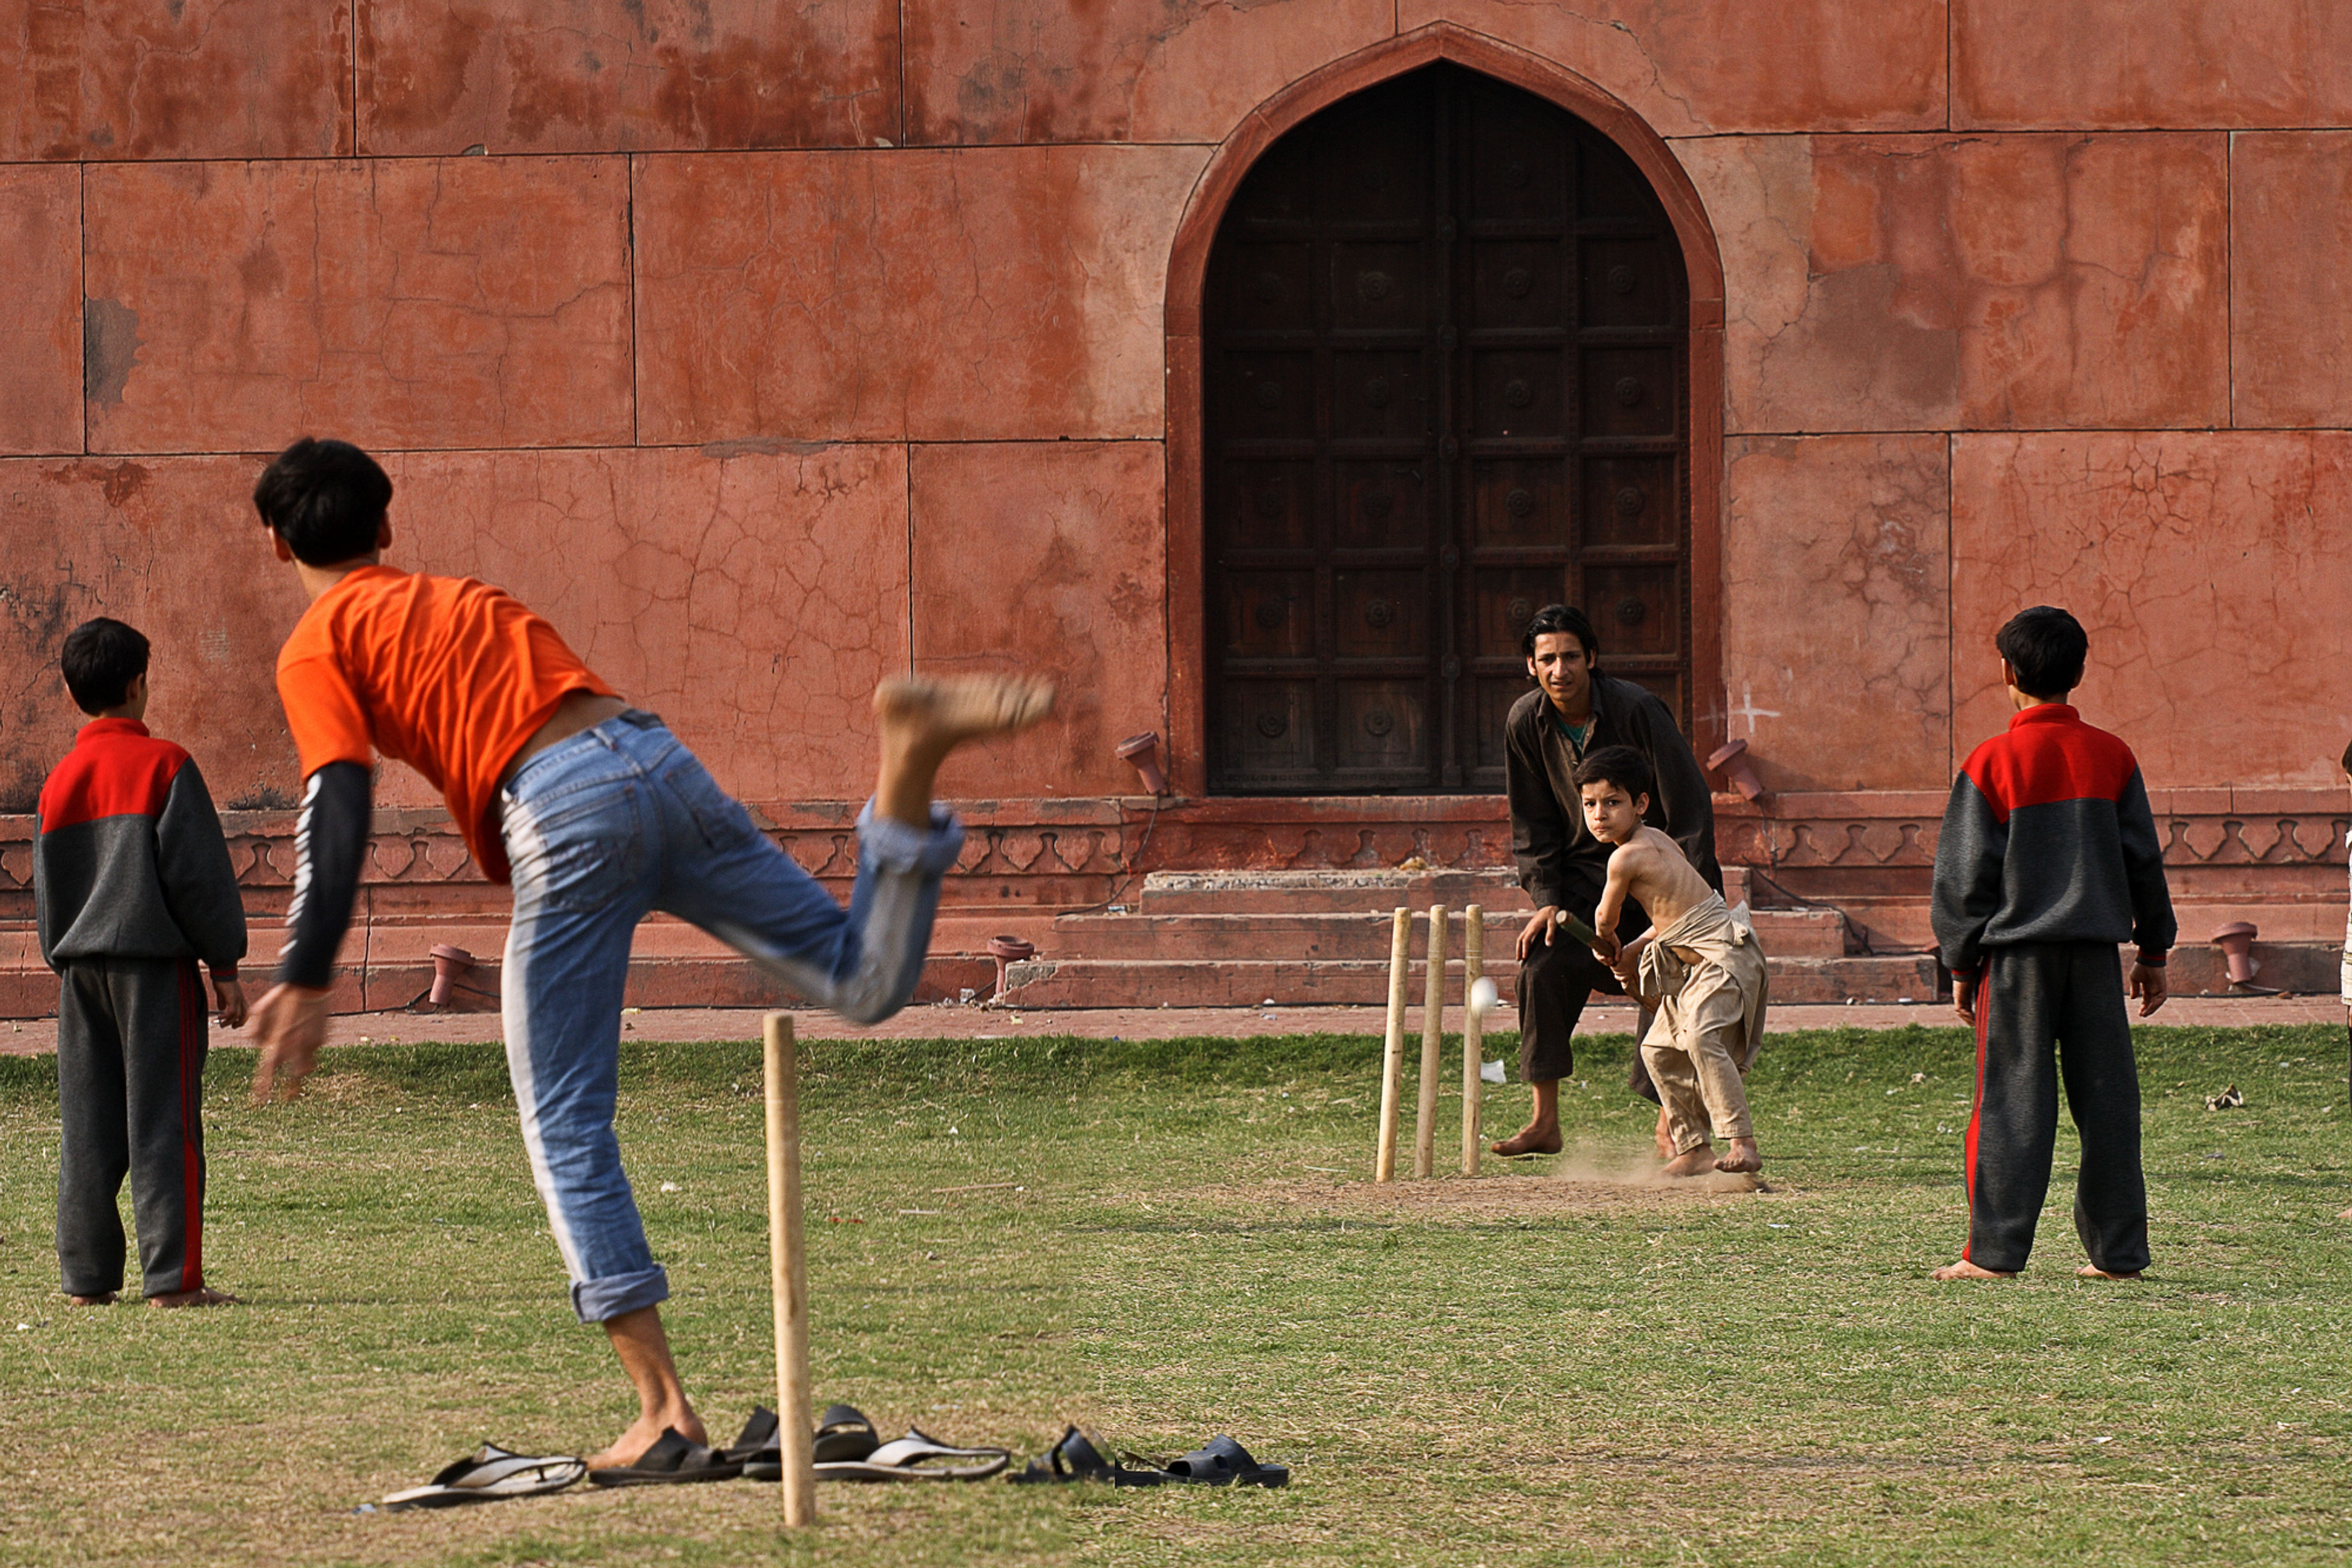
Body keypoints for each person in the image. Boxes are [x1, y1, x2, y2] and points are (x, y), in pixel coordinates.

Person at [241, 437, 1053, 1471]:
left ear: (275, 545)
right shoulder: (467, 598)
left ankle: (663, 1408)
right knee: (862, 981)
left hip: (563, 810)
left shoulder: (316, 644)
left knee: (562, 1117)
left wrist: (307, 972)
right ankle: (906, 762)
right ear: (387, 527)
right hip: (653, 760)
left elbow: (335, 798)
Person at [1930, 606, 2173, 1283]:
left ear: (2006, 671)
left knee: (2010, 1102)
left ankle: (1994, 1254)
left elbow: (1964, 875)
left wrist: (1959, 959)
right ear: (2081, 672)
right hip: (2095, 956)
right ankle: (2118, 1255)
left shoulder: (1991, 762)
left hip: (2016, 964)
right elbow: (2143, 862)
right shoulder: (2112, 756)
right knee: (2109, 1106)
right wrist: (2153, 953)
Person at [35, 617, 248, 1309]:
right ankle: (173, 1280)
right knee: (164, 1121)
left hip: (79, 975)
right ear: (137, 685)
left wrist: (68, 962)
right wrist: (225, 969)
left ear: (74, 696)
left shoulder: (58, 782)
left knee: (88, 1127)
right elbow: (198, 879)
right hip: (152, 974)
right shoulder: (167, 766)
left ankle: (87, 1280)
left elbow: (48, 897)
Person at [1495, 603, 1720, 1157]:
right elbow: (1533, 823)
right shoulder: (1526, 721)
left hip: (1657, 880)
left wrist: (1696, 911)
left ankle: (1675, 1122)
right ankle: (1544, 1122)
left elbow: (1689, 807)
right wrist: (1547, 900)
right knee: (1542, 963)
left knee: (1672, 986)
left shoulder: (1638, 709)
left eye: (1571, 656)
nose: (1560, 669)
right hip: (1581, 888)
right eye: (1547, 659)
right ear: (1531, 665)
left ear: (1591, 659)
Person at [1577, 746, 1767, 1177]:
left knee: (1700, 1036)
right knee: (1658, 1049)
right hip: (1702, 966)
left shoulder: (1625, 857)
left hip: (1724, 957)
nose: (1600, 814)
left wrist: (1605, 942)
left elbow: (1605, 918)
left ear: (1640, 803)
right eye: (1590, 804)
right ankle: (1695, 1147)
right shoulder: (1658, 839)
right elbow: (1674, 919)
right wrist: (1631, 951)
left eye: (1612, 802)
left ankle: (1742, 1142)